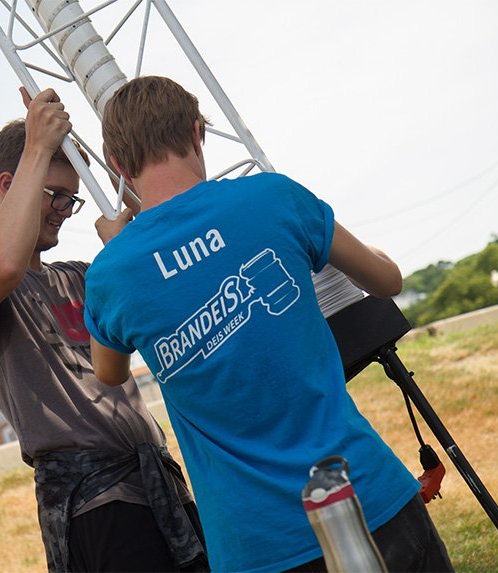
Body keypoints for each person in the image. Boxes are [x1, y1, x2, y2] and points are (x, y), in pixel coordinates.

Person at [83, 76, 454, 572]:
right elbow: (387, 279)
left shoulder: (112, 274)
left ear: (118, 167)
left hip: (257, 547)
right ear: (197, 135)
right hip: (366, 497)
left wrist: (125, 250)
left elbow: (108, 372)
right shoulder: (273, 198)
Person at [0, 86, 208, 572]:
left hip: (160, 486)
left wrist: (127, 248)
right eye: (54, 195)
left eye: (71, 200)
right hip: (96, 506)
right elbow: (2, 266)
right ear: (8, 185)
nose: (64, 209)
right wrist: (38, 146)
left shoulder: (84, 276)